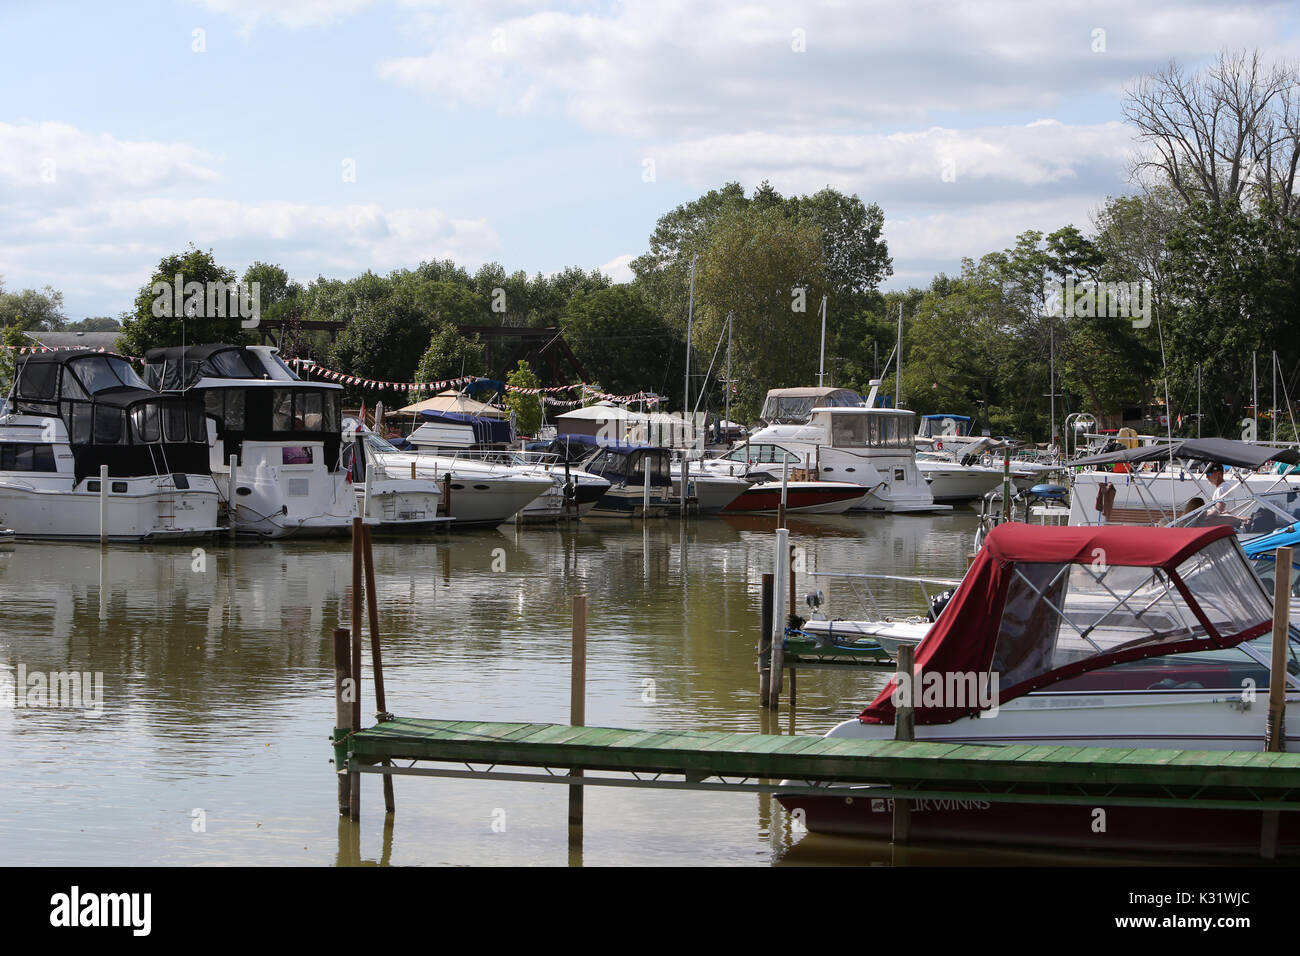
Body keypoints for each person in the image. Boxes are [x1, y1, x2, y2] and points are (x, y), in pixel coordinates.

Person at [1202, 463, 1246, 528]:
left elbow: (1219, 508)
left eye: (1209, 474)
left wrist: (1205, 516)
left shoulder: (1221, 489)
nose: (1207, 477)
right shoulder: (1226, 485)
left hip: (1224, 525)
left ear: (1218, 474)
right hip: (1229, 524)